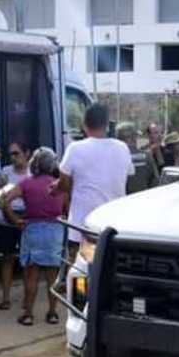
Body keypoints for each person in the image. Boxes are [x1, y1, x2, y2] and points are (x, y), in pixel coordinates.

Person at [0, 148, 66, 326]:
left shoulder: (26, 183)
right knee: (53, 276)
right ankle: (52, 313)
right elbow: (67, 208)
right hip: (55, 231)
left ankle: (28, 314)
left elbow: (5, 201)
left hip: (32, 230)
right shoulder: (59, 184)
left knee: (31, 275)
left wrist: (16, 220)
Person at [57, 104, 134, 257]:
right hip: (114, 228)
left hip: (83, 228)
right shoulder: (122, 147)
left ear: (84, 125)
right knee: (108, 271)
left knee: (81, 272)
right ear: (107, 125)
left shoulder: (75, 148)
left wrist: (57, 187)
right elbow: (127, 177)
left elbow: (64, 184)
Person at [0, 141, 30, 312]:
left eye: (17, 153)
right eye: (11, 154)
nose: (14, 158)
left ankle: (27, 297)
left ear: (27, 153)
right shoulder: (6, 173)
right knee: (7, 259)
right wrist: (2, 195)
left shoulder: (32, 173)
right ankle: (6, 298)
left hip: (27, 219)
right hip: (7, 219)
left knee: (26, 261)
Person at [116, 123, 156, 194]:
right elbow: (155, 182)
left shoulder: (114, 158)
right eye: (136, 136)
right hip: (143, 199)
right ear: (132, 138)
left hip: (120, 201)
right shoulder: (146, 156)